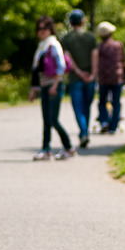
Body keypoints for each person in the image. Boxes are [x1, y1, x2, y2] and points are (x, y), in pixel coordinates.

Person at [29, 16, 76, 161]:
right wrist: (34, 88)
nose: (41, 31)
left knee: (53, 119)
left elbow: (61, 66)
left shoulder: (53, 44)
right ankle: (46, 149)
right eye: (39, 28)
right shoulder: (42, 45)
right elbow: (37, 70)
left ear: (50, 29)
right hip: (44, 86)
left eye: (45, 28)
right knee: (46, 120)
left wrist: (55, 85)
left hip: (53, 86)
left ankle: (69, 147)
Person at [60, 9, 98, 148]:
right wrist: (92, 74)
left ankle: (83, 133)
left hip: (75, 78)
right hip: (90, 77)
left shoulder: (66, 39)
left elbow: (67, 57)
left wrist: (78, 72)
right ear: (83, 21)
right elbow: (95, 55)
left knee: (78, 107)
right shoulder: (90, 36)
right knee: (87, 106)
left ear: (70, 22)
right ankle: (85, 132)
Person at [95, 21, 125, 134]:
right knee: (116, 102)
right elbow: (123, 61)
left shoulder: (98, 47)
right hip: (116, 77)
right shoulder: (118, 45)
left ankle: (104, 121)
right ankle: (113, 126)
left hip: (103, 78)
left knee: (102, 101)